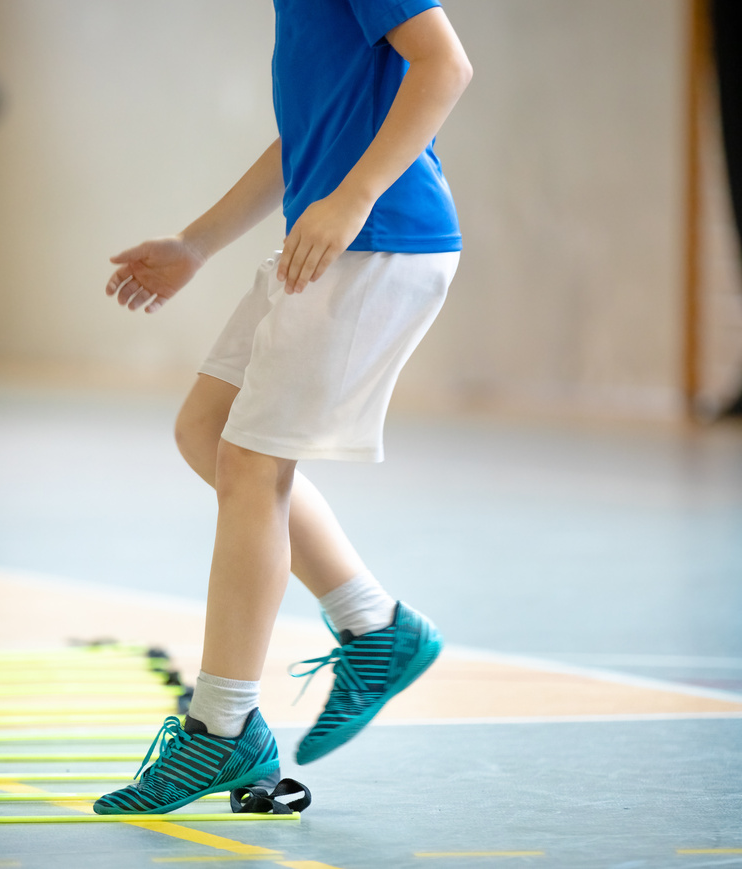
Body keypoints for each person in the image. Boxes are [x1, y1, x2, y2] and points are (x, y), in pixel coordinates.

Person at [95, 0, 472, 815]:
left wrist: (355, 197)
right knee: (206, 431)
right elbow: (305, 135)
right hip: (331, 235)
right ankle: (376, 628)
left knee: (252, 464)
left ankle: (222, 728)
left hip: (378, 239)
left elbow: (445, 65)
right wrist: (196, 242)